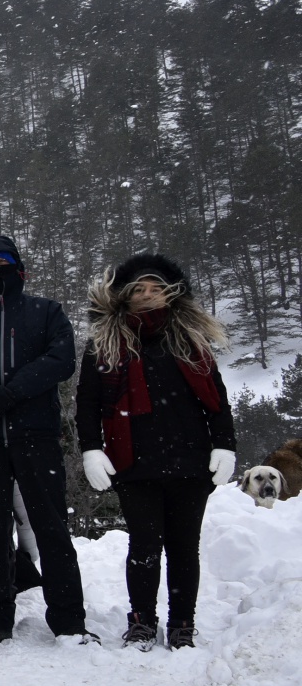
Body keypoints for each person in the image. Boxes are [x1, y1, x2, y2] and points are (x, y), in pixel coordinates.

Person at [0, 235, 93, 646]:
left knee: (52, 528)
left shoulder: (45, 311)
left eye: (1, 263)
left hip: (36, 434)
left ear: (18, 267)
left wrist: (16, 389)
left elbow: (61, 358)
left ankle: (69, 620)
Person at [76, 254, 235, 650]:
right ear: (125, 295)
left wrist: (224, 445)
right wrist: (91, 449)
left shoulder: (190, 341)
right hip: (133, 462)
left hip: (190, 461)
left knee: (184, 548)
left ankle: (182, 623)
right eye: (139, 289)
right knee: (144, 547)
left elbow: (217, 401)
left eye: (156, 289)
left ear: (170, 294)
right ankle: (142, 620)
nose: (148, 295)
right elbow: (88, 405)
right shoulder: (104, 345)